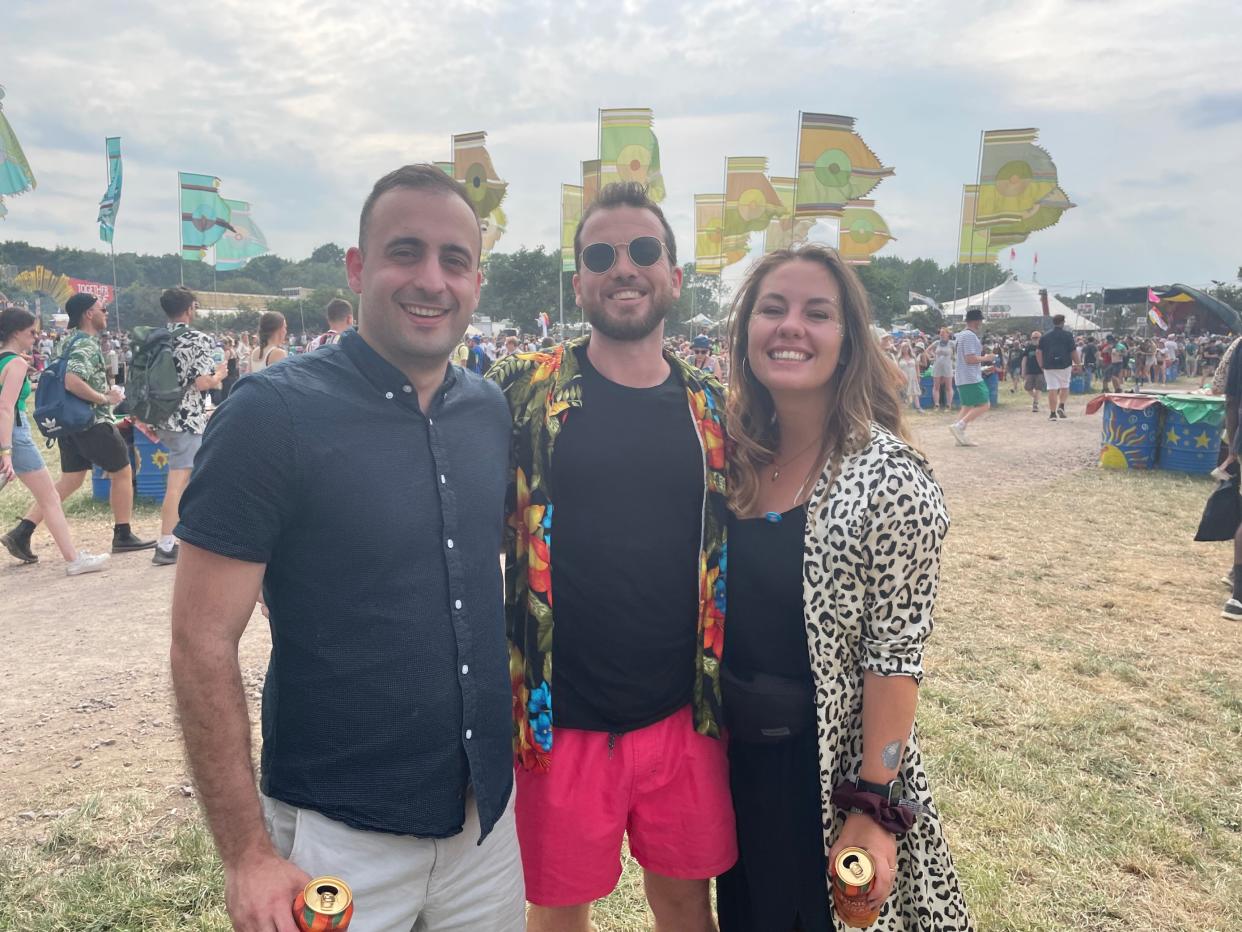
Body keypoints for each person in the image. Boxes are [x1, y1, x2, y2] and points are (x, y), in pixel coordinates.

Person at [170, 164, 524, 932]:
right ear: (358, 268)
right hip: (338, 836)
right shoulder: (273, 414)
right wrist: (246, 857)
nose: (431, 279)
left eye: (454, 260)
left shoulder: (488, 409)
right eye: (406, 252)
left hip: (484, 829)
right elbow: (201, 639)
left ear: (477, 281)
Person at [487, 181, 734, 932]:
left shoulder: (714, 408)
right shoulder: (519, 393)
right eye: (601, 254)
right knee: (558, 907)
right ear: (579, 282)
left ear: (674, 277)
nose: (623, 267)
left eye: (643, 250)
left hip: (685, 714)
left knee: (688, 904)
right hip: (560, 717)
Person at [716, 244, 970, 931]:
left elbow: (896, 658)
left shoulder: (890, 480)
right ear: (746, 333)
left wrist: (873, 807)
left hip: (825, 775)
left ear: (848, 341)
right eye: (773, 308)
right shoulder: (729, 456)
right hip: (735, 768)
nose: (791, 325)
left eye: (817, 313)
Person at [1, 293, 153, 562]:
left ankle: (23, 531)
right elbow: (72, 381)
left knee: (71, 479)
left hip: (67, 422)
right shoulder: (86, 344)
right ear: (88, 314)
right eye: (101, 308)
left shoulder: (65, 342)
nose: (106, 312)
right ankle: (123, 533)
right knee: (122, 470)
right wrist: (106, 397)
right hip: (91, 420)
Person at [0, 306, 109, 575]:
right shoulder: (15, 364)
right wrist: (6, 451)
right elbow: (5, 407)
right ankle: (73, 559)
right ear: (17, 333)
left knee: (48, 496)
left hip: (11, 432)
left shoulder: (9, 361)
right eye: (31, 332)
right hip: (15, 433)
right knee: (49, 497)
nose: (35, 337)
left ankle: (73, 558)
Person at [151, 287, 227, 566]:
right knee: (179, 481)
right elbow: (203, 382)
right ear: (189, 308)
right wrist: (220, 373)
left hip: (161, 416)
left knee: (186, 478)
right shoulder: (197, 338)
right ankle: (166, 543)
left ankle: (182, 535)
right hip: (186, 416)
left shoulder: (156, 337)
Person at [948, 309, 993, 447]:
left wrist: (982, 367)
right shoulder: (969, 336)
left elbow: (966, 359)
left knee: (967, 406)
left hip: (964, 376)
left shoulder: (961, 335)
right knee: (984, 404)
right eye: (980, 320)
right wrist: (986, 358)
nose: (981, 323)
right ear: (976, 321)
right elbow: (970, 358)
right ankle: (960, 426)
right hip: (970, 377)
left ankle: (959, 435)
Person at [1037, 314, 1079, 421]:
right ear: (1063, 322)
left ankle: (1052, 414)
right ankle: (1061, 405)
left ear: (1053, 322)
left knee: (1052, 388)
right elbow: (1073, 351)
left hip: (1049, 365)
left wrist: (1041, 365)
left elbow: (1038, 351)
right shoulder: (1068, 335)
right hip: (1064, 364)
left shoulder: (1045, 336)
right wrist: (1078, 364)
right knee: (1065, 386)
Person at [930, 327, 955, 412]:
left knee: (948, 386)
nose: (942, 334)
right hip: (937, 366)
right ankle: (936, 405)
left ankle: (948, 405)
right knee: (936, 386)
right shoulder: (937, 343)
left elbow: (958, 352)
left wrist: (954, 358)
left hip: (947, 366)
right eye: (940, 333)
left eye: (944, 333)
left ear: (948, 334)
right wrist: (933, 356)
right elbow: (927, 350)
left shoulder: (952, 343)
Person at [1022, 329, 1045, 412]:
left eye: (1037, 337)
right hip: (1030, 371)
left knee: (1039, 387)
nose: (1035, 339)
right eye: (1034, 338)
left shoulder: (1044, 347)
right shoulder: (1028, 348)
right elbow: (1024, 359)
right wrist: (1023, 371)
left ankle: (1035, 404)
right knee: (1027, 387)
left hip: (1040, 371)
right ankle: (1036, 399)